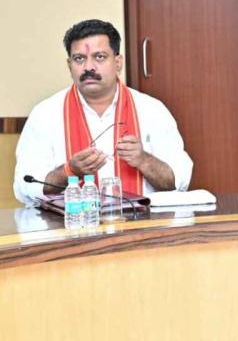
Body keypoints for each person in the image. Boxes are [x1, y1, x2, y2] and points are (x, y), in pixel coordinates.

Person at [13, 19, 193, 204]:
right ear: (69, 65)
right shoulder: (45, 114)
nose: (88, 67)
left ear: (118, 62)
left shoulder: (152, 110)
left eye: (99, 57)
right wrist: (69, 171)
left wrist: (143, 160)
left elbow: (179, 182)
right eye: (79, 58)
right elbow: (25, 188)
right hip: (69, 221)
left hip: (142, 220)